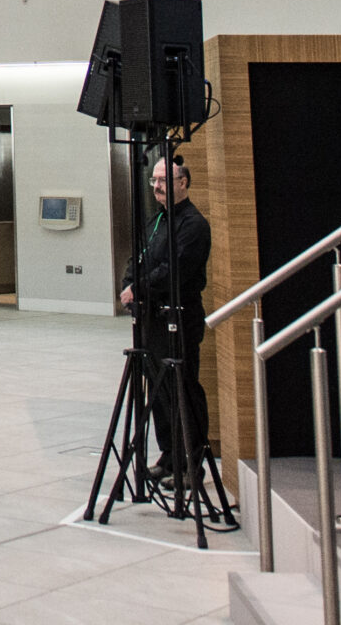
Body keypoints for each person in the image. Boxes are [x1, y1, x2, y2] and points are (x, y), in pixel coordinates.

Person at [120, 156, 210, 491]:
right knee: (157, 392)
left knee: (182, 390)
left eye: (164, 180)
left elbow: (175, 270)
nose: (157, 187)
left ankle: (191, 463)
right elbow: (138, 258)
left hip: (179, 318)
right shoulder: (155, 221)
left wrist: (139, 288)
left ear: (183, 182)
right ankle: (169, 457)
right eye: (154, 181)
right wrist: (129, 284)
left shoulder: (193, 225)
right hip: (151, 319)